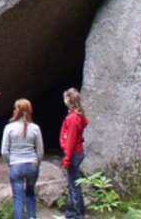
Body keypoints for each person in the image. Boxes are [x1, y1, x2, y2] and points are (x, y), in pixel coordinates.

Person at [1, 99, 43, 219]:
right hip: (32, 165)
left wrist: (10, 163)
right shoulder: (35, 128)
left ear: (16, 111)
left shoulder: (9, 128)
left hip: (16, 166)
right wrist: (37, 164)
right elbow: (40, 152)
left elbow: (4, 151)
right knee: (30, 194)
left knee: (18, 197)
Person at [59, 87, 89, 219]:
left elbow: (71, 140)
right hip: (78, 152)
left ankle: (75, 214)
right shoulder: (79, 115)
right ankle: (78, 211)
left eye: (65, 97)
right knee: (75, 182)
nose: (64, 100)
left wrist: (67, 158)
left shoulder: (72, 118)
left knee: (73, 185)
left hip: (74, 152)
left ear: (69, 100)